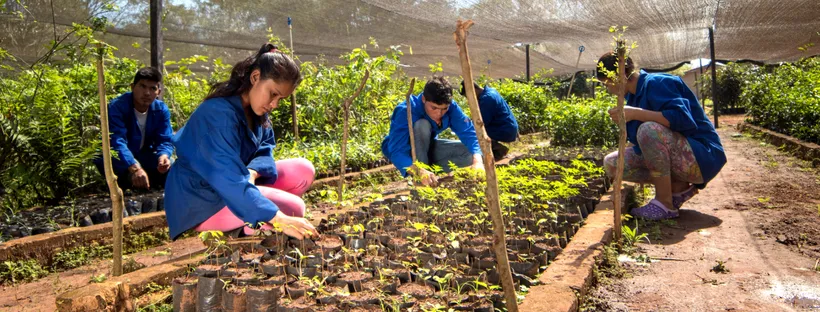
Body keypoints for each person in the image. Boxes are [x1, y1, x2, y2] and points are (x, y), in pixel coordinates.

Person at [164, 43, 316, 240]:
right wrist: (279, 218)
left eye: (281, 99)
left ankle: (252, 219)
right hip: (204, 196)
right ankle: (241, 229)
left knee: (303, 169)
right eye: (273, 94)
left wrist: (252, 173)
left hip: (236, 183)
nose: (275, 104)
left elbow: (265, 149)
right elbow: (228, 179)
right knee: (293, 208)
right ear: (255, 77)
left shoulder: (258, 114)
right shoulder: (218, 115)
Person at [597, 52, 726, 220]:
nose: (607, 89)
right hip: (684, 159)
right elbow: (647, 147)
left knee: (648, 130)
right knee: (613, 164)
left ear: (619, 75)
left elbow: (682, 119)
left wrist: (637, 114)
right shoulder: (633, 98)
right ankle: (678, 187)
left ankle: (665, 204)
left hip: (703, 157)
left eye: (606, 83)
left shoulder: (657, 83)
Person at [382, 76, 484, 187]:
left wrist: (477, 161)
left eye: (444, 109)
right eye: (434, 108)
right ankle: (423, 181)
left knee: (473, 152)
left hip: (428, 149)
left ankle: (430, 175)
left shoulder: (451, 108)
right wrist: (418, 171)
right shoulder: (406, 111)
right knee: (422, 125)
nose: (439, 114)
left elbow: (469, 133)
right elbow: (397, 152)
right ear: (424, 99)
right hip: (407, 153)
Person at [93, 67, 174, 191]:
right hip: (120, 159)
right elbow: (116, 140)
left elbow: (165, 139)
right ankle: (126, 182)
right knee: (104, 158)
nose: (147, 93)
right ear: (132, 87)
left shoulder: (161, 110)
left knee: (173, 165)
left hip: (144, 157)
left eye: (152, 88)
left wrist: (164, 156)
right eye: (142, 86)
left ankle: (148, 183)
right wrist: (134, 167)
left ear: (158, 92)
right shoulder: (117, 107)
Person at [460, 81, 519, 161]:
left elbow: (481, 123)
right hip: (507, 127)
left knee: (474, 133)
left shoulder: (487, 99)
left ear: (473, 90)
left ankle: (498, 151)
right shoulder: (490, 91)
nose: (468, 99)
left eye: (467, 96)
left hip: (505, 130)